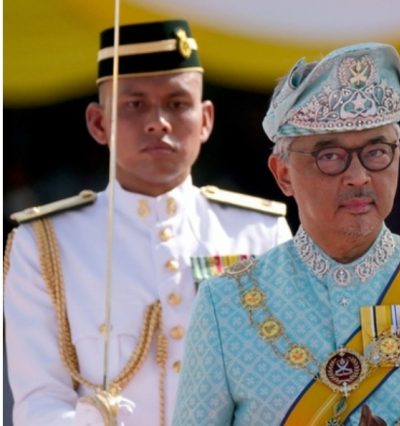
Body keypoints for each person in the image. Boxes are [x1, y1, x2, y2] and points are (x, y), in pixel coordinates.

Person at [171, 42, 400, 425]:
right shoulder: (226, 303)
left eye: (376, 152)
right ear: (283, 174)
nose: (359, 176)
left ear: (397, 156)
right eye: (330, 156)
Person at [4, 19, 293, 426]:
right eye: (135, 105)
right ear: (98, 123)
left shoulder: (260, 233)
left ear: (206, 119)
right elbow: (39, 402)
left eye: (177, 103)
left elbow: (285, 382)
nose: (159, 122)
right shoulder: (45, 244)